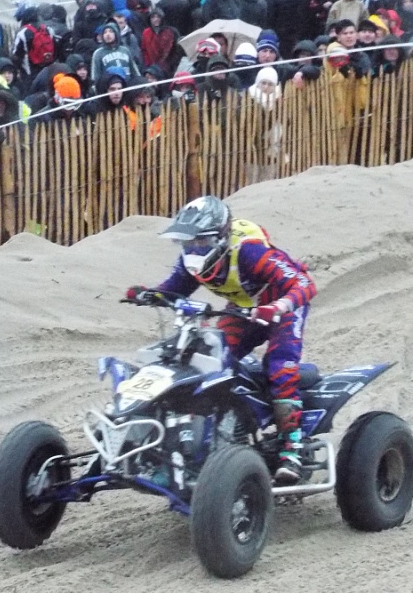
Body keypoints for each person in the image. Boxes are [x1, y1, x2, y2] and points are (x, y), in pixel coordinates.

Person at [125, 196, 317, 483]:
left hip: (281, 307)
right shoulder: (194, 261)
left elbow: (303, 283)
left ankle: (293, 449)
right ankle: (217, 436)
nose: (193, 249)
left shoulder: (250, 252)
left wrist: (277, 307)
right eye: (187, 243)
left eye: (200, 243)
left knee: (280, 367)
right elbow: (175, 289)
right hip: (243, 310)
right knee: (210, 360)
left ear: (219, 237)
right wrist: (150, 294)